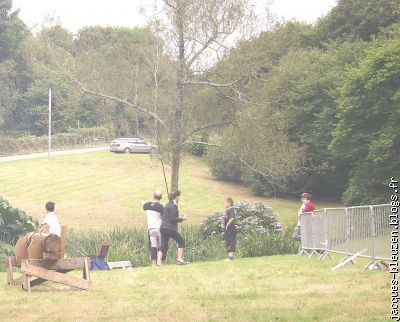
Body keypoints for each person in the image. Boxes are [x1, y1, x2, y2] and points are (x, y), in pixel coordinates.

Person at [158, 190, 189, 265]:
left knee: (164, 245)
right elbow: (172, 219)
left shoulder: (167, 205)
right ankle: (179, 259)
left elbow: (166, 217)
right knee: (181, 241)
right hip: (170, 228)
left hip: (162, 227)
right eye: (179, 196)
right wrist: (182, 218)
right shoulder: (173, 206)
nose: (179, 198)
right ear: (176, 197)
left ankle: (159, 262)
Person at [142, 190, 164, 267]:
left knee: (153, 246)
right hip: (160, 229)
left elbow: (144, 206)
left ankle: (153, 264)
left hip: (151, 229)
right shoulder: (161, 207)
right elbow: (165, 217)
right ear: (161, 197)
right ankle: (160, 262)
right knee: (162, 246)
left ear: (153, 196)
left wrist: (143, 202)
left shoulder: (147, 205)